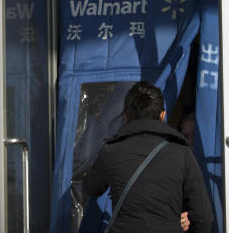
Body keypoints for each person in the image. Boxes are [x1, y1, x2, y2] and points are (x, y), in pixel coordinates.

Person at [82, 81, 212, 233]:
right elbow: (203, 217)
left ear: (126, 116)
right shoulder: (182, 153)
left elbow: (91, 187)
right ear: (162, 115)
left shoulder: (110, 151)